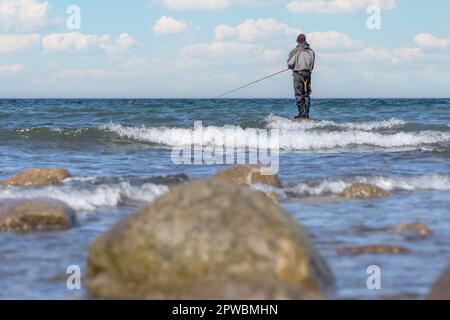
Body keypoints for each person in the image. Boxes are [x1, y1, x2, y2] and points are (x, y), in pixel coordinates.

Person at [287, 34, 315, 119]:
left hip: (298, 74)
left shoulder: (295, 51)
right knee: (306, 94)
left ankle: (301, 114)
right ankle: (306, 114)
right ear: (305, 41)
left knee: (299, 94)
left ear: (298, 41)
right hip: (308, 74)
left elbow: (290, 64)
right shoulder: (311, 51)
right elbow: (312, 64)